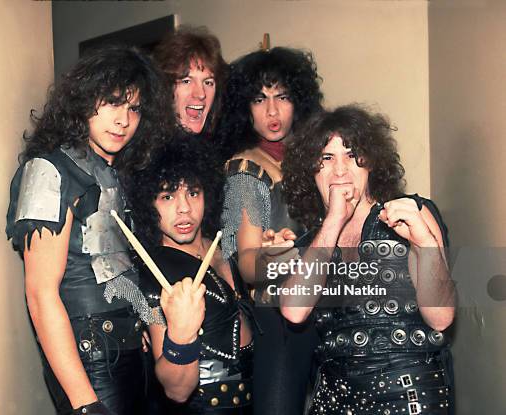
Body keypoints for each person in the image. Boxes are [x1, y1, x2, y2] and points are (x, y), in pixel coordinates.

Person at [5, 46, 170, 415]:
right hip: (90, 360)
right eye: (111, 103)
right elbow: (40, 293)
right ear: (83, 100)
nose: (123, 120)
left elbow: (118, 268)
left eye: (134, 108)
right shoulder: (50, 170)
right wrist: (83, 402)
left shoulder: (115, 172)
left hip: (130, 355)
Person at [279, 105, 455, 414]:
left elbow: (441, 318)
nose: (340, 170)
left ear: (370, 163)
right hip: (334, 401)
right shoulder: (310, 243)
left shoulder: (412, 214)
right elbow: (294, 311)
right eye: (327, 158)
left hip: (411, 396)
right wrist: (333, 222)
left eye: (351, 155)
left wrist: (423, 243)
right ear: (312, 170)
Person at [217, 46, 323, 415]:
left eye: (282, 97)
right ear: (245, 108)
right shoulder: (248, 169)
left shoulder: (317, 160)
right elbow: (246, 265)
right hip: (275, 318)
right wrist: (282, 257)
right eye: (260, 99)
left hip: (325, 311)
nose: (272, 112)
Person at [127, 139, 255, 414]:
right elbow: (177, 389)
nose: (184, 208)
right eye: (168, 196)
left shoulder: (223, 251)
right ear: (148, 204)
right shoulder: (153, 274)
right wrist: (181, 336)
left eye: (193, 193)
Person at [153, 26, 228, 138]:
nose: (201, 94)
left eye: (208, 83)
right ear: (165, 87)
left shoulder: (220, 148)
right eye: (186, 81)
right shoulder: (145, 152)